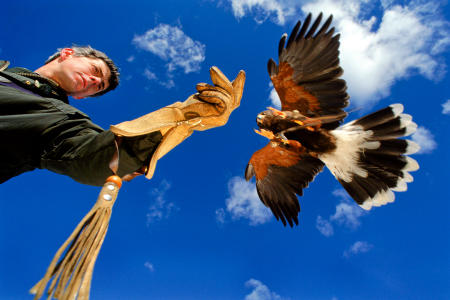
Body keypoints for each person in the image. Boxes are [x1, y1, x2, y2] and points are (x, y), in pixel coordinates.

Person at [0, 46, 245, 186]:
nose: (95, 81)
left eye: (98, 86)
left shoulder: (60, 120)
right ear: (67, 53)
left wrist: (183, 116)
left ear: (81, 97)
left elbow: (101, 158)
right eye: (95, 71)